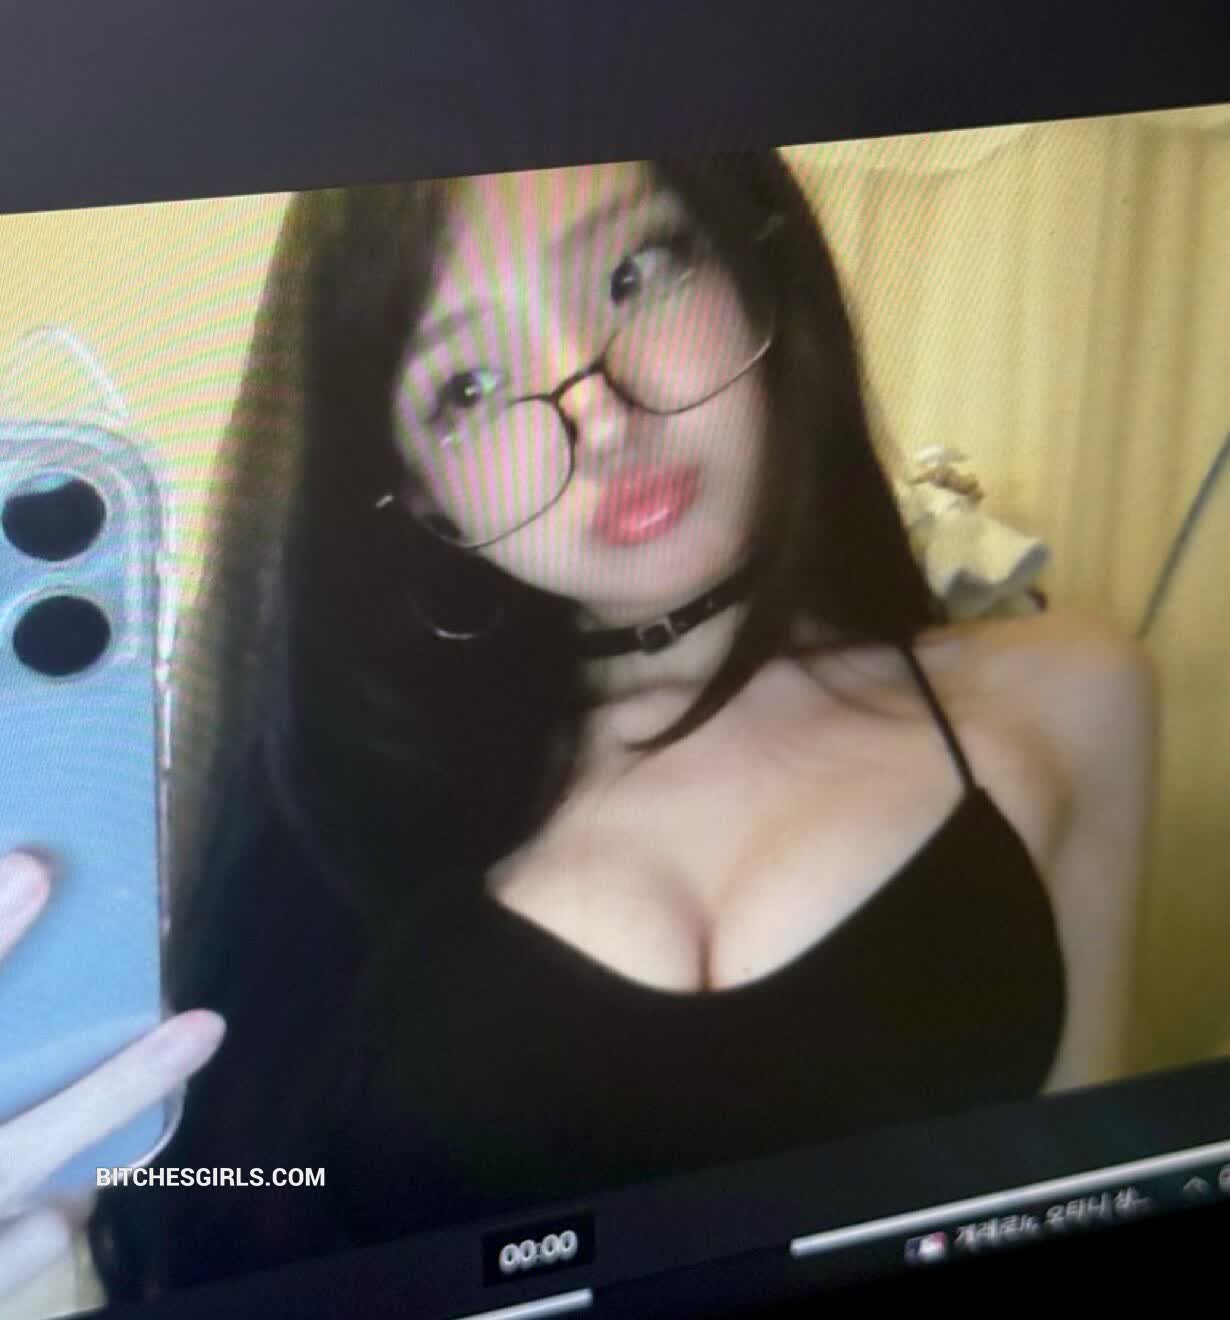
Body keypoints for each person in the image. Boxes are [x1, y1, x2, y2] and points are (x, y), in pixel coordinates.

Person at [0, 150, 1157, 1302]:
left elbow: (1074, 1192)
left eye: (635, 273)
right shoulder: (323, 821)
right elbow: (227, 1196)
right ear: (417, 491)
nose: (597, 414)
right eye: (466, 388)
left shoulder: (1069, 695)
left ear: (758, 262)